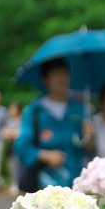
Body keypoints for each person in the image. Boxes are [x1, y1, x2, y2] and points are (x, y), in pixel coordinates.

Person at [13, 58, 90, 191]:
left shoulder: (80, 109)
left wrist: (90, 136)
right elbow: (21, 146)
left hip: (77, 185)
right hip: (45, 187)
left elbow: (89, 148)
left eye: (65, 73)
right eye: (55, 74)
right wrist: (45, 155)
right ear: (45, 79)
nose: (61, 78)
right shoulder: (35, 111)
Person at [1, 102, 23, 195]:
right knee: (11, 165)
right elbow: (3, 132)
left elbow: (23, 132)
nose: (11, 110)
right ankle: (14, 183)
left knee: (20, 165)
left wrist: (14, 133)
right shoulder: (8, 120)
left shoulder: (23, 119)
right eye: (10, 108)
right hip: (10, 145)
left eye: (13, 108)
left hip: (20, 145)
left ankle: (20, 184)